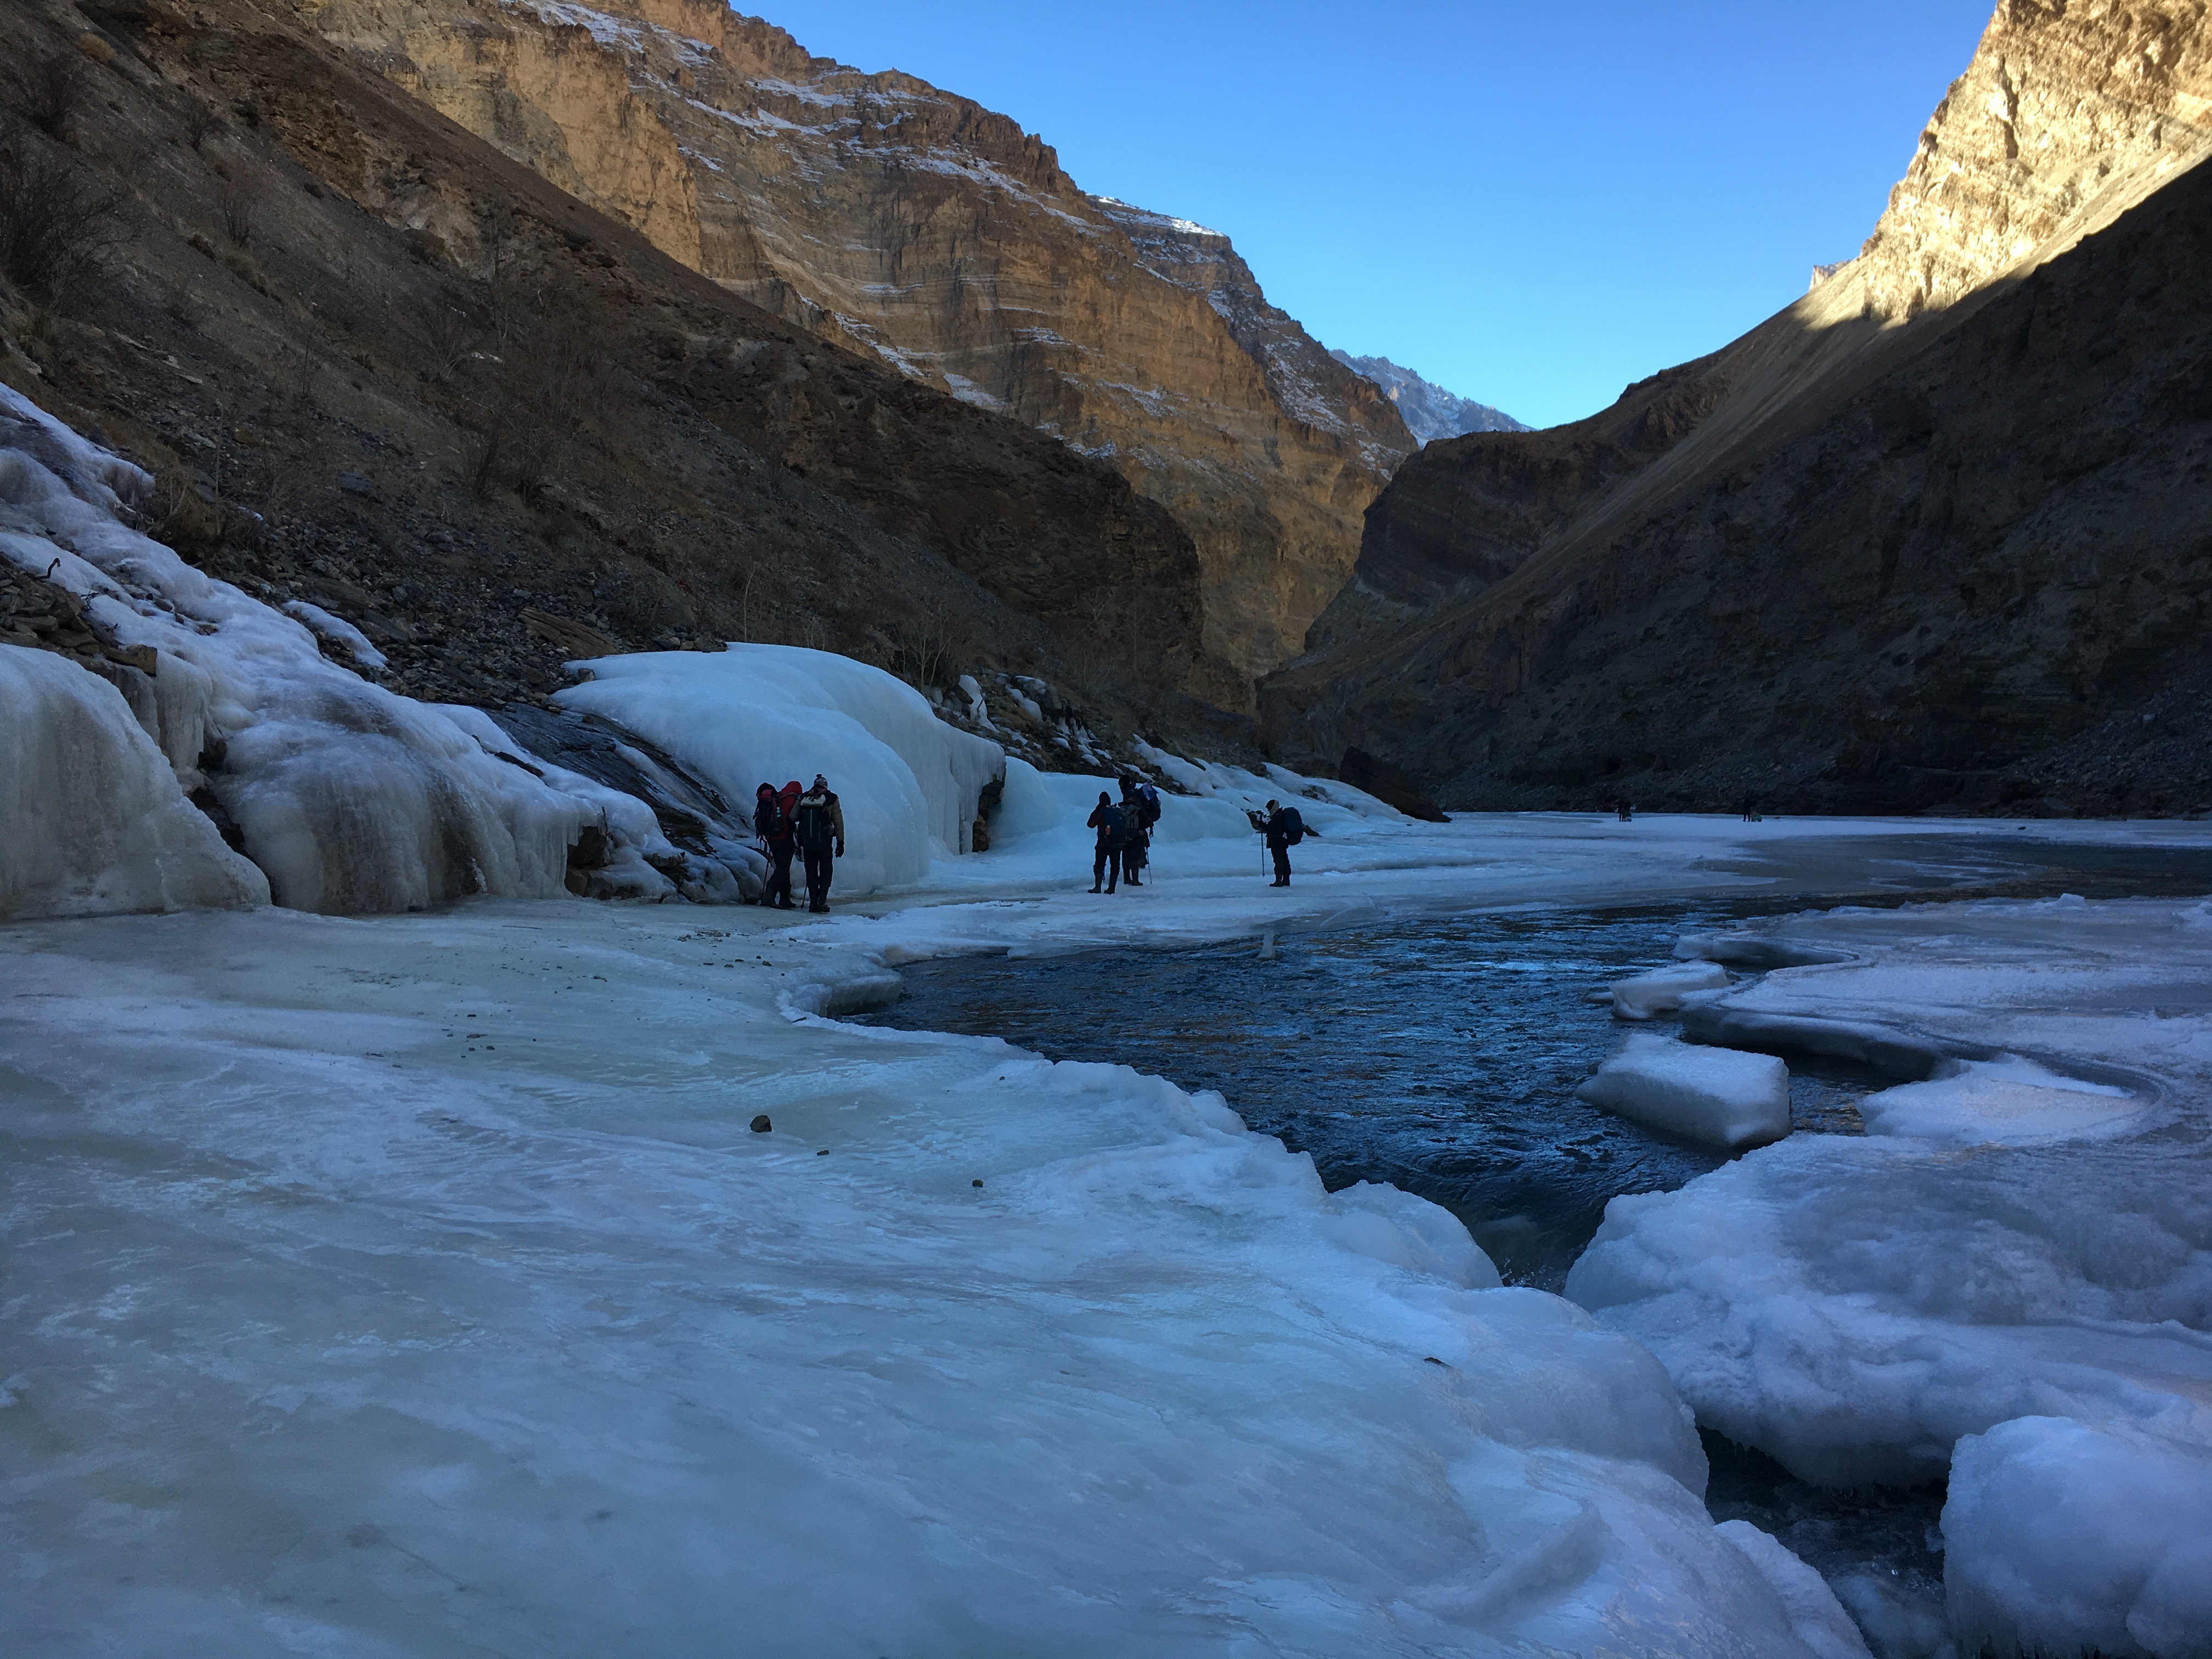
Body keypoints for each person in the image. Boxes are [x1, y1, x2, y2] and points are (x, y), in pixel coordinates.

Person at [793, 773, 845, 913]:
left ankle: (813, 904)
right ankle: (822, 902)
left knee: (811, 871)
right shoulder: (831, 799)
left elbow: (793, 817)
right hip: (825, 843)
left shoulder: (804, 798)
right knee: (826, 870)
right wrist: (841, 841)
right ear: (826, 787)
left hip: (808, 843)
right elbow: (838, 821)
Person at [753, 781, 797, 909]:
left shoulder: (779, 797)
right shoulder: (792, 799)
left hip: (771, 838)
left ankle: (785, 899)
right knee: (783, 868)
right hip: (784, 838)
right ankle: (769, 896)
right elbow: (793, 817)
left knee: (782, 867)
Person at [1251, 798, 1308, 887]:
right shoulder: (1280, 816)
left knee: (1279, 861)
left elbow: (1274, 830)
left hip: (1277, 842)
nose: (1269, 810)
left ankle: (1279, 881)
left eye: (1269, 808)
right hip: (1281, 842)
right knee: (1284, 860)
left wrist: (1262, 826)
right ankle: (1286, 880)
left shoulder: (1278, 817)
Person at [1085, 791, 1124, 893]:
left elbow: (1090, 824)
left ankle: (1098, 887)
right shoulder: (1116, 812)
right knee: (1115, 865)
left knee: (1099, 864)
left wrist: (1096, 811)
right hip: (1117, 844)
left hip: (1103, 844)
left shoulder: (1101, 813)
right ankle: (1112, 888)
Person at [1118, 775, 1152, 888]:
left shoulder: (1122, 810)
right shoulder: (1138, 809)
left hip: (1124, 835)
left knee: (1125, 856)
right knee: (1134, 856)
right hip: (1137, 835)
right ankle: (1135, 880)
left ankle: (1127, 878)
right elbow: (1146, 823)